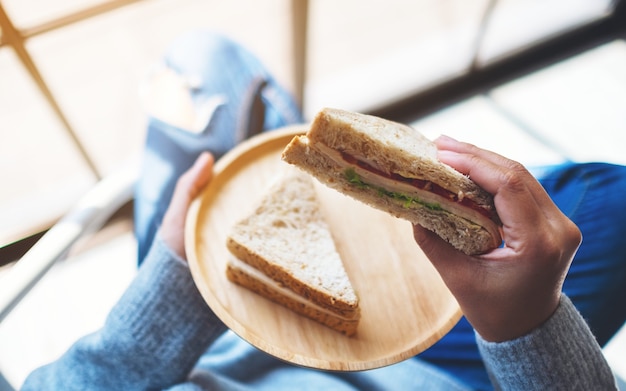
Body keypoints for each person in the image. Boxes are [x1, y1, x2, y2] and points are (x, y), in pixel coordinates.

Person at [21, 31, 623, 391]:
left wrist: (177, 279)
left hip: (196, 347)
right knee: (616, 197)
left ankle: (295, 140)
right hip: (457, 374)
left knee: (199, 61)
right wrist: (528, 332)